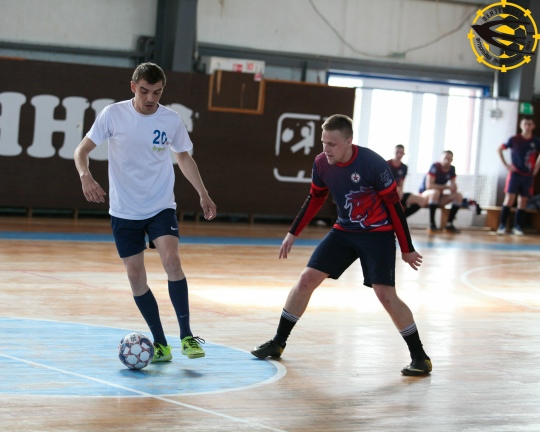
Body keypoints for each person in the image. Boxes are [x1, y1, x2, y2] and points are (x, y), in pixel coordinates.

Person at [251, 114, 432, 377]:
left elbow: (395, 206)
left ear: (349, 141)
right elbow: (315, 198)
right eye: (323, 143)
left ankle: (420, 357)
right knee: (305, 280)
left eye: (332, 144)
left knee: (385, 294)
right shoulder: (322, 163)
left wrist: (406, 248)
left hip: (378, 234)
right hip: (344, 230)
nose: (326, 149)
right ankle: (278, 342)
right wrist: (293, 233)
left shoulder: (373, 163)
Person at [74, 62, 217, 363]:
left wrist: (203, 193)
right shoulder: (113, 114)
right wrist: (85, 175)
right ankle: (161, 343)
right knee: (135, 276)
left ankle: (187, 336)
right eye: (144, 91)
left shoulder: (171, 119)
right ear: (133, 87)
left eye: (157, 92)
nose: (150, 98)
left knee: (172, 259)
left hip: (159, 205)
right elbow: (81, 150)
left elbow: (183, 157)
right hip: (124, 210)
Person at [496, 117, 540, 235]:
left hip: (528, 175)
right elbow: (499, 149)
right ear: (521, 125)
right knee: (509, 199)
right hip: (515, 174)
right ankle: (502, 225)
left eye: (529, 124)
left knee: (523, 201)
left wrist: (537, 166)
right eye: (525, 124)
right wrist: (506, 165)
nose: (527, 126)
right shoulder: (514, 139)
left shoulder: (536, 141)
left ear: (533, 126)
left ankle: (517, 226)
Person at [419, 150, 462, 233]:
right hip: (425, 196)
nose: (447, 161)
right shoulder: (435, 166)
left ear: (452, 160)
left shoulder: (452, 169)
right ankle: (432, 224)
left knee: (458, 196)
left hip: (438, 197)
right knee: (435, 192)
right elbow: (429, 186)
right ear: (441, 158)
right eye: (445, 158)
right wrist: (447, 187)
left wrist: (454, 187)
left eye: (449, 159)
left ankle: (449, 224)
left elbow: (453, 187)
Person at [387, 144, 426, 217]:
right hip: (388, 193)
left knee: (422, 201)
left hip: (398, 193)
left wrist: (400, 193)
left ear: (404, 154)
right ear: (394, 152)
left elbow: (401, 183)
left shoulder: (404, 167)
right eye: (397, 152)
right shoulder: (386, 164)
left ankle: (402, 217)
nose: (399, 154)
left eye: (401, 152)